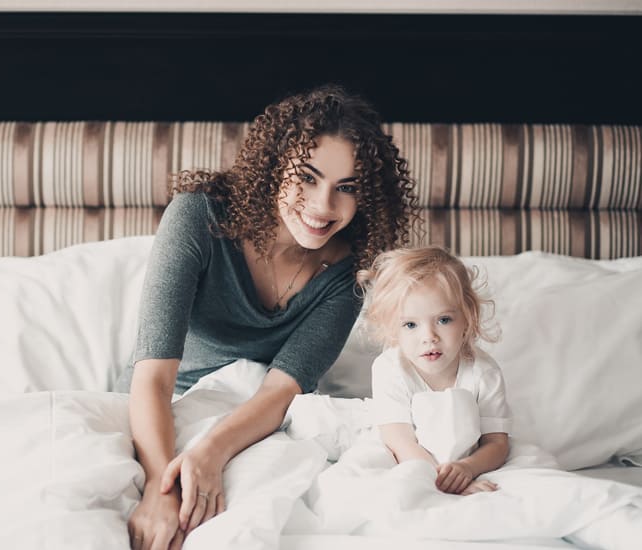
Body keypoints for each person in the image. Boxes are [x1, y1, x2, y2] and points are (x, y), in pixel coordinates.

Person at [121, 84, 418, 550]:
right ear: (273, 167)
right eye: (307, 177)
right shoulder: (196, 218)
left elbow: (283, 390)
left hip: (257, 422)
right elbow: (153, 378)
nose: (323, 206)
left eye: (346, 188)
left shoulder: (348, 273)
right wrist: (160, 485)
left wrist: (210, 453)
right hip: (164, 409)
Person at [361, 245, 511, 496]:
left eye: (443, 320)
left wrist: (467, 468)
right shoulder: (391, 369)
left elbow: (496, 443)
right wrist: (441, 482)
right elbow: (400, 441)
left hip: (466, 463)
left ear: (467, 317)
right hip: (405, 459)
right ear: (392, 329)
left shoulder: (483, 372)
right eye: (410, 324)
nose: (429, 337)